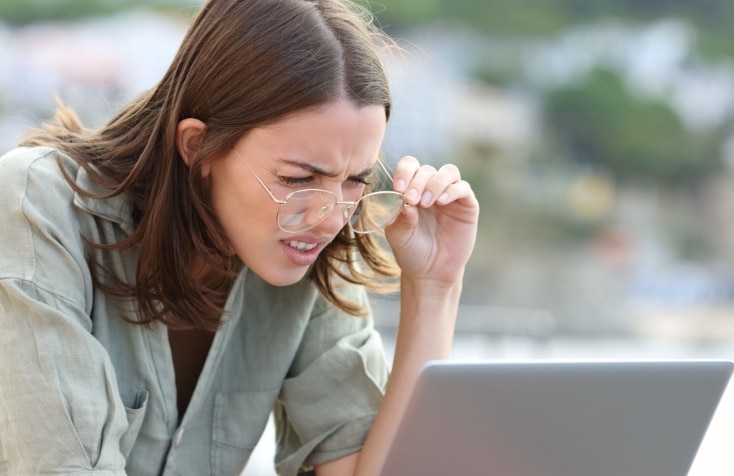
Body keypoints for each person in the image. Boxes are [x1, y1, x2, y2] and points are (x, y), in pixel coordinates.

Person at [0, 0, 479, 474]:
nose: (330, 219)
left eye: (355, 180)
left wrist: (436, 285)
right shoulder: (37, 206)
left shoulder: (310, 253)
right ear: (199, 147)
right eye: (296, 179)